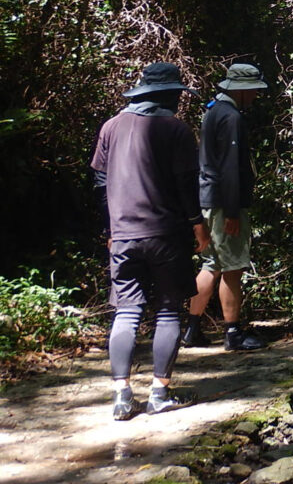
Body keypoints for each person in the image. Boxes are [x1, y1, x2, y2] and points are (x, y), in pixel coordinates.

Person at [91, 62, 211, 420]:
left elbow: (100, 183)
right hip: (166, 234)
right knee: (169, 309)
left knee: (127, 311)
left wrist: (111, 229)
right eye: (176, 94)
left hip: (124, 236)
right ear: (167, 95)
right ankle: (159, 392)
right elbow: (187, 183)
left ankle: (122, 397)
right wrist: (198, 224)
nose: (179, 101)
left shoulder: (111, 127)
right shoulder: (176, 129)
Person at [182, 63, 268, 351]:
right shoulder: (231, 117)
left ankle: (192, 330)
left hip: (208, 199)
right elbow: (230, 167)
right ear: (240, 90)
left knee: (211, 264)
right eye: (253, 90)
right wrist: (233, 211)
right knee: (232, 267)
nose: (255, 95)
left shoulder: (212, 111)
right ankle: (233, 333)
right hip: (223, 203)